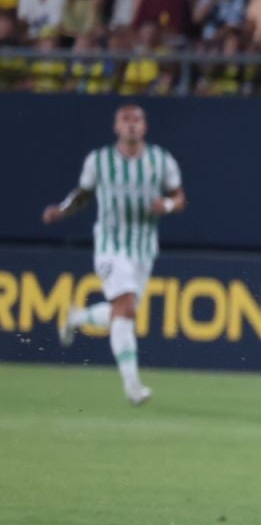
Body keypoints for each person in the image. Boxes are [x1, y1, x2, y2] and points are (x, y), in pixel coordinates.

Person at [41, 104, 186, 406]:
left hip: (143, 249)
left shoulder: (161, 160)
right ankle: (133, 387)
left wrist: (168, 206)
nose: (132, 124)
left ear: (144, 126)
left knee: (123, 312)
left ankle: (77, 317)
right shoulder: (99, 161)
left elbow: (179, 196)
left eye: (137, 120)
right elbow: (83, 194)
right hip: (110, 245)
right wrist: (62, 210)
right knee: (126, 307)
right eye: (126, 120)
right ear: (116, 127)